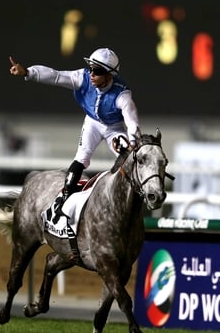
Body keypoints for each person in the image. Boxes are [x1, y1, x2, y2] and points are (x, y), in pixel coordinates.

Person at [8, 47, 141, 221]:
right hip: (93, 123)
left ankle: (132, 209)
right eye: (90, 68)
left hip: (114, 128)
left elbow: (132, 122)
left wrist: (133, 143)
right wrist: (28, 72)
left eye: (97, 71)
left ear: (110, 75)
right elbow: (56, 76)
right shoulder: (82, 77)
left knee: (130, 162)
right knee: (81, 158)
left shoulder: (122, 94)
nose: (91, 74)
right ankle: (62, 201)